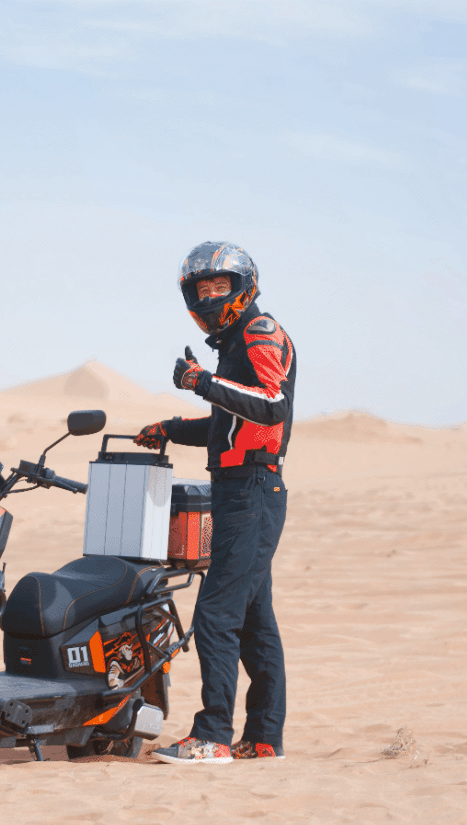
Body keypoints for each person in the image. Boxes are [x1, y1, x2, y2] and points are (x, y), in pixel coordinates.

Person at [141, 241, 296, 765]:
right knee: (254, 621)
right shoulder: (233, 343)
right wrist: (169, 427)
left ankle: (212, 736)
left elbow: (272, 406)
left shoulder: (259, 331)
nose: (209, 296)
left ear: (242, 287)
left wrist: (203, 383)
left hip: (251, 491)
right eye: (201, 288)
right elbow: (229, 424)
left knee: (215, 613)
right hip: (241, 491)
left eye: (219, 286)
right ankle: (264, 737)